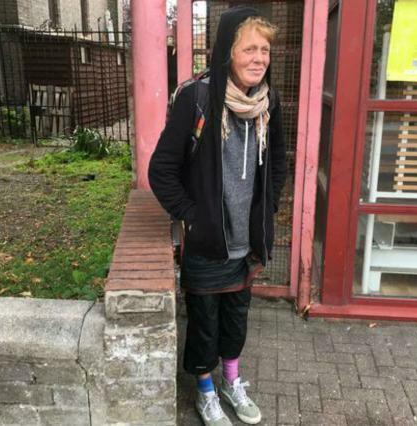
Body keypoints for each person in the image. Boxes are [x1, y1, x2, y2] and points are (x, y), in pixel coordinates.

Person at [148, 6, 286, 425]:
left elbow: (278, 163)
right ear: (228, 51)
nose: (259, 58)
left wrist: (267, 210)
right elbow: (161, 170)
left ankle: (231, 380)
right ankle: (205, 391)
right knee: (204, 322)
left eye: (264, 50)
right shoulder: (197, 98)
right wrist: (193, 217)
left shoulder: (268, 101)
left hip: (246, 240)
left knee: (237, 316)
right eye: (249, 49)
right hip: (208, 240)